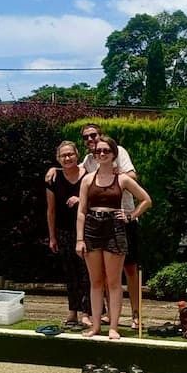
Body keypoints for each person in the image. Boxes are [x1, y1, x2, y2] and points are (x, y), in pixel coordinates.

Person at [47, 123, 144, 328]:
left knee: (130, 269)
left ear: (101, 136)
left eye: (93, 135)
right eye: (86, 137)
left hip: (122, 218)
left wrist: (114, 175)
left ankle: (136, 315)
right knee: (104, 275)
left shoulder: (118, 152)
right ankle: (108, 316)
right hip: (98, 224)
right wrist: (54, 169)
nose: (91, 140)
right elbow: (75, 171)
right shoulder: (89, 160)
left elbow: (133, 178)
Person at [75, 136, 151, 340]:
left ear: (113, 154)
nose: (101, 154)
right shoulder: (88, 180)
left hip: (114, 229)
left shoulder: (122, 179)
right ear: (94, 155)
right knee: (96, 281)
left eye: (106, 151)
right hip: (92, 227)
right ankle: (96, 326)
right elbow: (81, 211)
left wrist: (131, 215)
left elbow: (146, 200)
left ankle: (114, 327)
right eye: (98, 151)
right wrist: (79, 239)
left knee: (114, 281)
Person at [45, 141, 90, 329]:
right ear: (58, 159)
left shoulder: (88, 175)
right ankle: (73, 311)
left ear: (77, 155)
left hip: (87, 231)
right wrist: (52, 236)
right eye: (63, 155)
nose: (67, 158)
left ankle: (87, 313)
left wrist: (80, 199)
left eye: (70, 154)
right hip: (63, 232)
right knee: (70, 273)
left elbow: (96, 199)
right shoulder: (53, 178)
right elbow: (51, 210)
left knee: (87, 273)